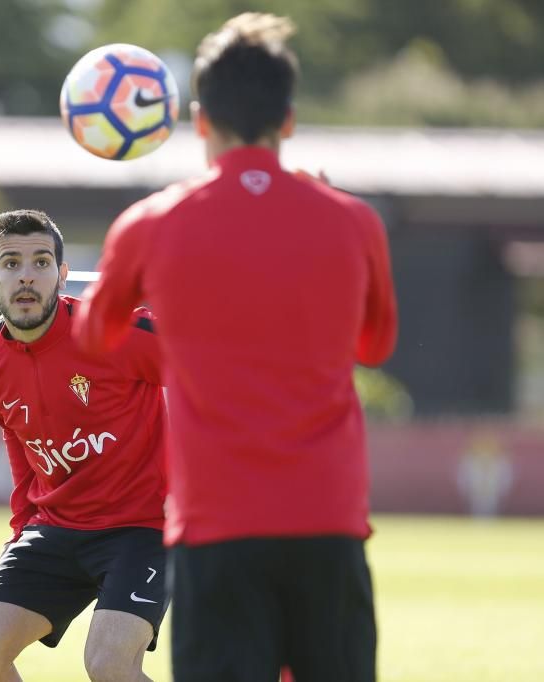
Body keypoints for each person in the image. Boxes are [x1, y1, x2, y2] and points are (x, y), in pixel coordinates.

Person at [74, 13, 398, 682]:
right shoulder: (353, 219)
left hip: (216, 530)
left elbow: (94, 338)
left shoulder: (151, 223)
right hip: (329, 524)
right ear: (289, 119)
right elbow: (377, 344)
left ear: (197, 120)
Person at [0, 209, 167, 682]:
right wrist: (22, 528)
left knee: (109, 665)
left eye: (41, 262)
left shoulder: (116, 331)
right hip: (55, 529)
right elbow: (21, 446)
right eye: (11, 264)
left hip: (143, 528)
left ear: (63, 274)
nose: (26, 276)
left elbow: (211, 372)